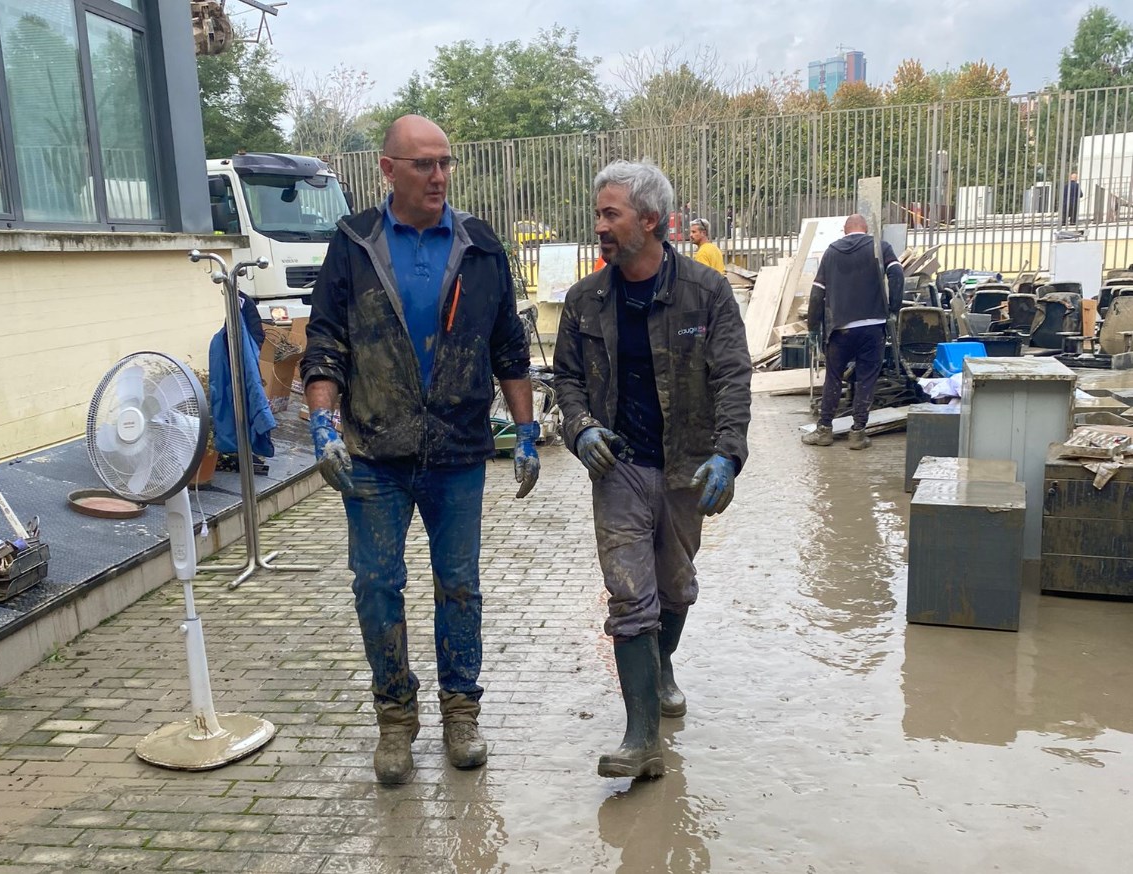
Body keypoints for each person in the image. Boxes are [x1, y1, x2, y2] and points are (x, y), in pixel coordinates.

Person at [300, 114, 541, 785]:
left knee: (458, 586)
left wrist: (524, 431)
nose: (438, 176)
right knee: (377, 584)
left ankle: (460, 711)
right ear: (387, 170)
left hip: (458, 451)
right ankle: (395, 720)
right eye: (422, 164)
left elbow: (509, 349)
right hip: (375, 450)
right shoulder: (353, 244)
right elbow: (325, 345)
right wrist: (323, 424)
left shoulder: (480, 245)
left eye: (445, 163)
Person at [554, 160, 752, 780]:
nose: (599, 226)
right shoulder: (586, 299)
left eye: (610, 214)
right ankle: (642, 737)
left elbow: (733, 375)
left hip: (686, 470)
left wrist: (729, 452)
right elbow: (565, 380)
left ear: (651, 221)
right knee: (629, 597)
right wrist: (580, 427)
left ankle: (662, 665)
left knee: (675, 587)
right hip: (620, 470)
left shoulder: (704, 290)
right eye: (598, 213)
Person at [801, 214, 904, 450]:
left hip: (840, 328)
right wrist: (893, 309)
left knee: (834, 377)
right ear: (866, 229)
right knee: (867, 378)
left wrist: (813, 328)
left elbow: (817, 293)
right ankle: (858, 433)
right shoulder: (880, 247)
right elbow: (897, 274)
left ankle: (824, 430)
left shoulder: (832, 251)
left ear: (844, 230)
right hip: (872, 326)